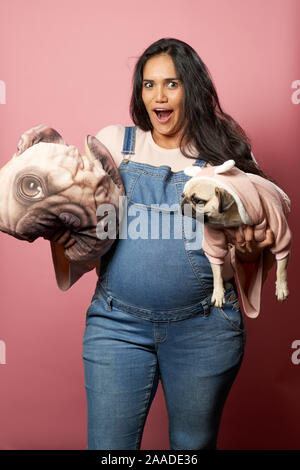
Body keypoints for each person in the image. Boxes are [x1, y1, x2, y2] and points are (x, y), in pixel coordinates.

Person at [52, 38, 275, 450]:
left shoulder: (226, 157)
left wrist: (248, 250)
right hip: (116, 326)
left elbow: (255, 247)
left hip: (204, 331)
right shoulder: (115, 147)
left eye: (171, 84)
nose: (159, 96)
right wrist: (64, 234)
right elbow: (87, 239)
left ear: (192, 87)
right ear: (139, 92)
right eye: (149, 84)